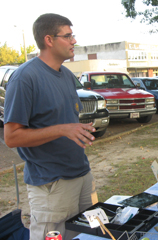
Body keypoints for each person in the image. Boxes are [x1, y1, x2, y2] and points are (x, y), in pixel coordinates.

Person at [4, 13, 98, 240]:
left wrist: (77, 128)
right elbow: (12, 137)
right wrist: (63, 129)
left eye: (72, 35)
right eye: (68, 36)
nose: (74, 41)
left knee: (91, 234)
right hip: (52, 184)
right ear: (49, 40)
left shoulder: (66, 75)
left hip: (82, 175)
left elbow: (62, 118)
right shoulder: (24, 78)